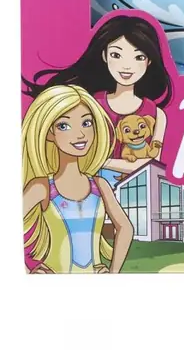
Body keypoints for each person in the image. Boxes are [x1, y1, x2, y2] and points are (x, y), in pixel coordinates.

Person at [23, 15, 174, 183]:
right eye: (116, 55)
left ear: (149, 61)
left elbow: (152, 165)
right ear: (104, 55)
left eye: (139, 57)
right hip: (87, 186)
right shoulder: (89, 104)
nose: (126, 66)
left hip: (136, 188)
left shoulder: (157, 114)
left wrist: (102, 162)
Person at [22, 85, 133, 274]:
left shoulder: (100, 185)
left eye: (86, 123)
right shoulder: (42, 188)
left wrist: (113, 273)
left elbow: (125, 228)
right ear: (49, 133)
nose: (80, 134)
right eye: (64, 126)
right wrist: (25, 272)